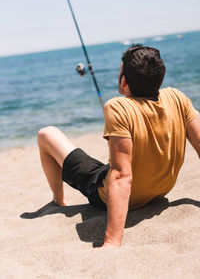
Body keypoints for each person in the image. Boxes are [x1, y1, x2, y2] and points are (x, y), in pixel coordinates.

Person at [37, 45, 200, 248]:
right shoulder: (177, 97)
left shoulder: (118, 107)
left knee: (46, 134)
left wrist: (112, 242)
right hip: (160, 190)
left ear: (123, 79)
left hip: (113, 196)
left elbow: (122, 176)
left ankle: (59, 201)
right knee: (106, 166)